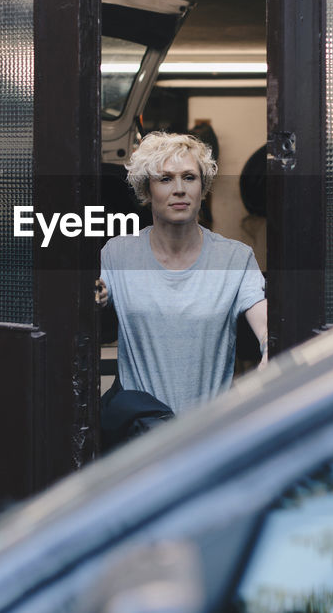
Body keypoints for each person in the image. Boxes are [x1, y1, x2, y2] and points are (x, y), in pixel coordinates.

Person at [96, 132, 267, 415]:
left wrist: (269, 348)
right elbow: (94, 303)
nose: (179, 189)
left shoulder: (235, 257)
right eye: (165, 179)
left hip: (208, 432)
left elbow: (263, 317)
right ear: (147, 190)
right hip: (141, 432)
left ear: (203, 187)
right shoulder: (118, 254)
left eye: (189, 177)